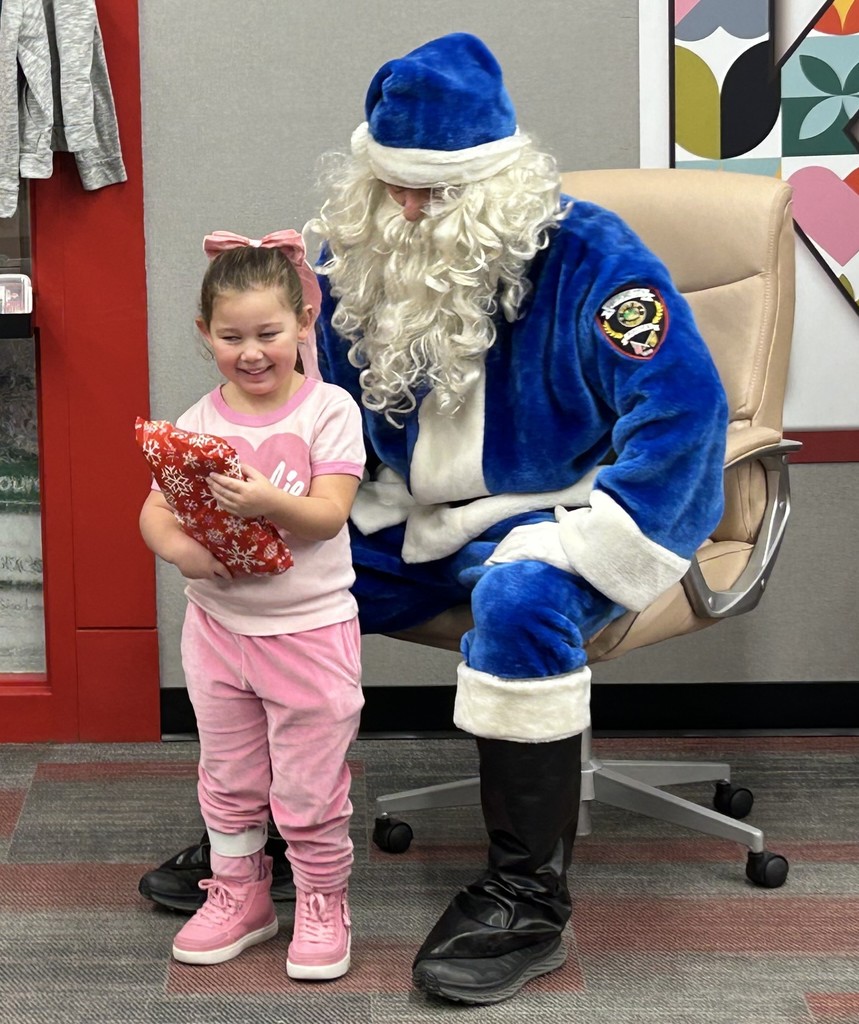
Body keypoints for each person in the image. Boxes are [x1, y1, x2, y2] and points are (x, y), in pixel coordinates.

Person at [140, 33, 729, 1004]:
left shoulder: (594, 261)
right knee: (265, 572)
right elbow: (309, 411)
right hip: (404, 515)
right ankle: (261, 833)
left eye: (436, 191)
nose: (410, 211)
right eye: (395, 186)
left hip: (548, 511)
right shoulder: (357, 258)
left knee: (522, 601)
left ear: (495, 179)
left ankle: (525, 897)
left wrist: (597, 536)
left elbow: (685, 415)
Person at [138, 230, 365, 980]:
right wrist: (181, 550)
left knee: (308, 786)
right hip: (218, 630)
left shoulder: (327, 410)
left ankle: (323, 900)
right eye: (231, 337)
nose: (252, 352)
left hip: (308, 632)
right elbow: (153, 512)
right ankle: (240, 893)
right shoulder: (198, 421)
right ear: (205, 334)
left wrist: (269, 502)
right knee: (229, 778)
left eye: (268, 333)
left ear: (303, 322)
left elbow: (327, 516)